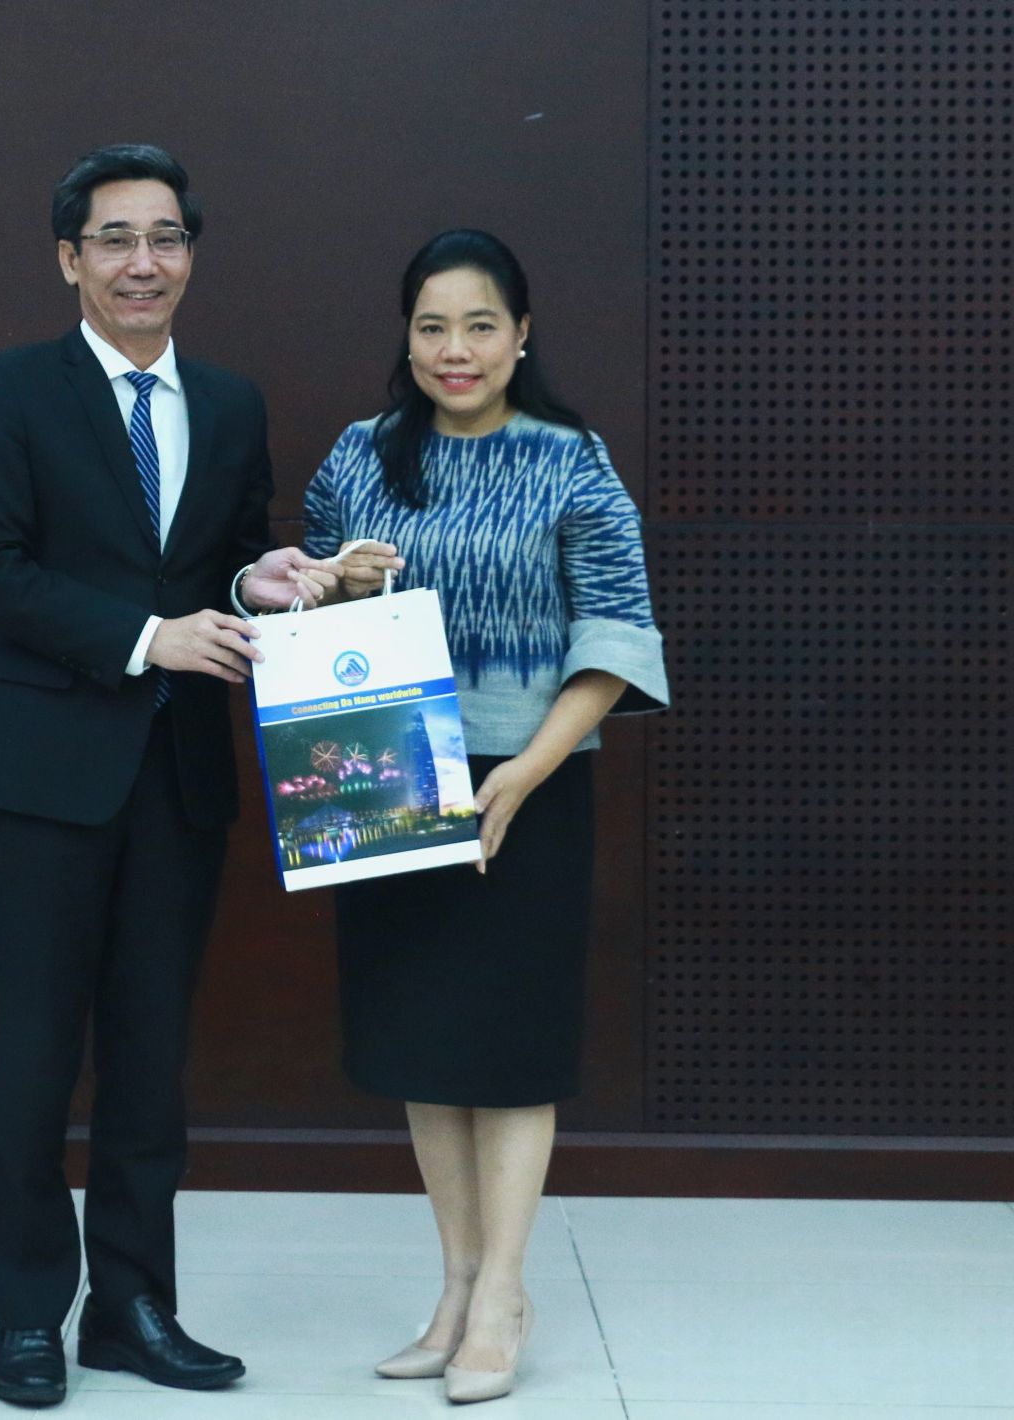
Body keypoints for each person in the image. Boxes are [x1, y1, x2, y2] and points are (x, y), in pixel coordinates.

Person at [0, 143, 334, 1409]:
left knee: (151, 1061)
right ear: (69, 258)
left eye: (165, 238)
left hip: (176, 780)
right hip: (39, 777)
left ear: (189, 257)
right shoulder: (8, 389)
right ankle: (25, 1318)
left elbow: (221, 566)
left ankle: (130, 1307)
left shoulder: (226, 403)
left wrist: (254, 588)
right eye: (114, 238)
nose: (142, 262)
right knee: (31, 1062)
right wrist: (143, 638)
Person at [300, 229, 668, 1404]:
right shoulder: (359, 457)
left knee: (506, 1051)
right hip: (386, 765)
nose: (452, 349)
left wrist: (523, 772)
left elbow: (613, 634)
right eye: (428, 326)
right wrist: (335, 581)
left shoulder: (571, 460)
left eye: (477, 325)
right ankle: (453, 1286)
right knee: (424, 1040)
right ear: (403, 337)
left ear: (521, 336)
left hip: (526, 778)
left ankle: (503, 1292)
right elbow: (296, 595)